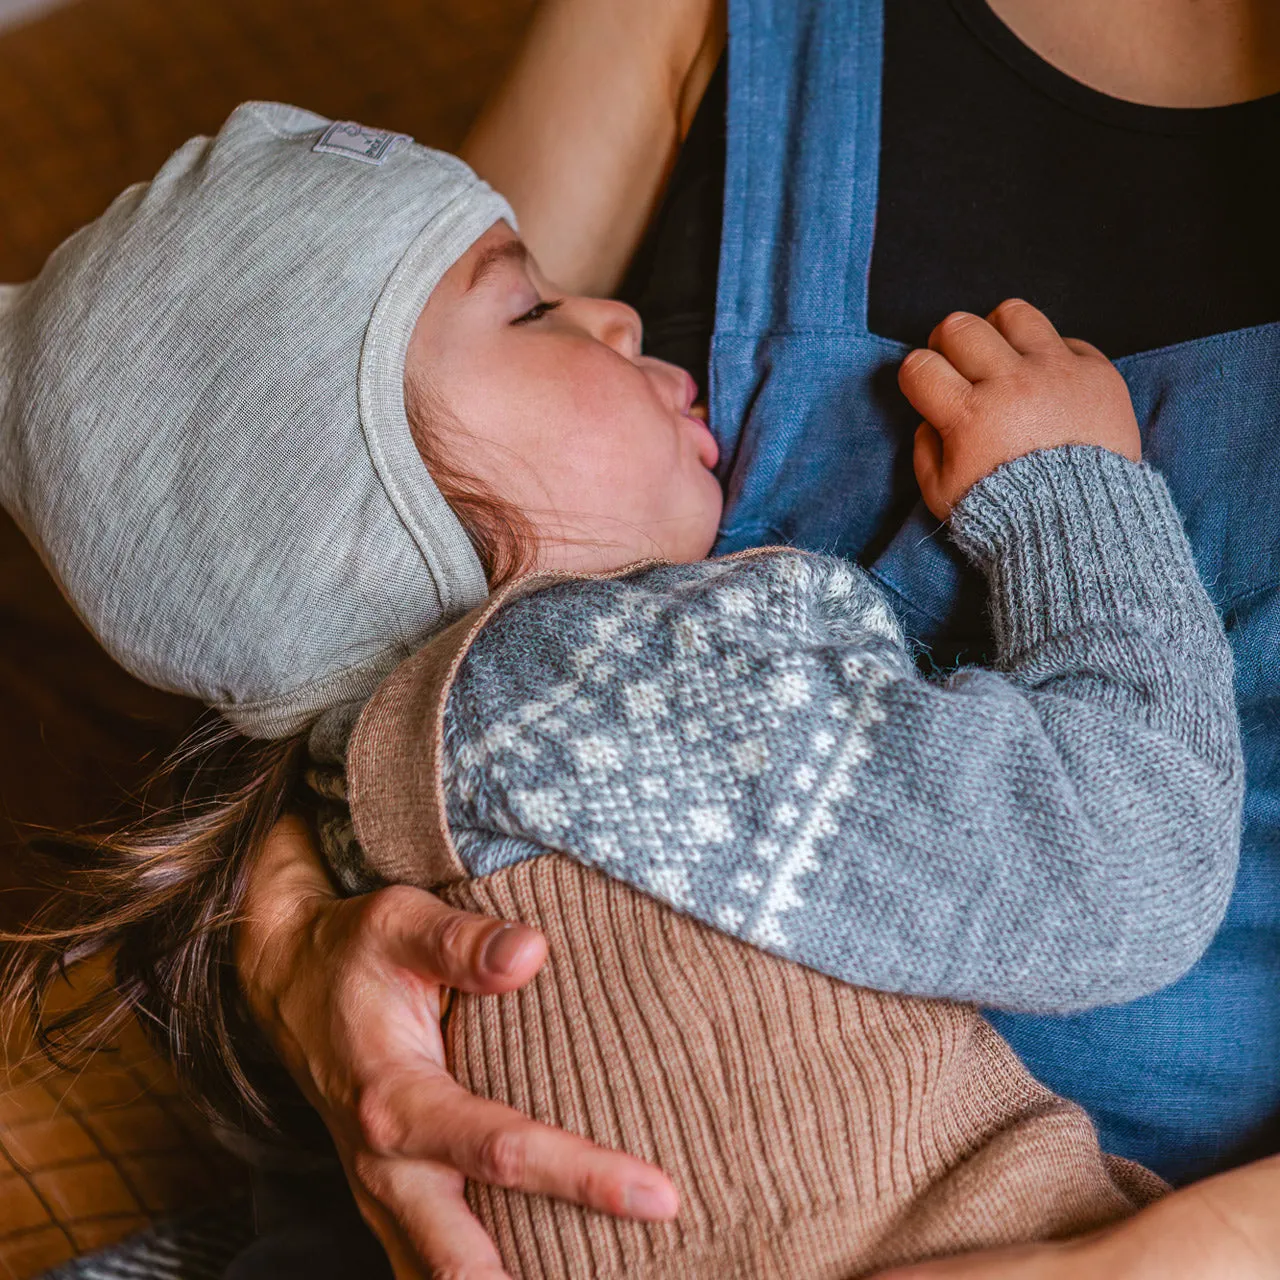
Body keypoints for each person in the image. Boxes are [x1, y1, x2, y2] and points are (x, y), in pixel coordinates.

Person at [0, 85, 1245, 1278]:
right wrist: (1070, 498)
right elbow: (1120, 863)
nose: (616, 315)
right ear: (348, 522)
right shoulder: (584, 685)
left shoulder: (387, 778)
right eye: (531, 312)